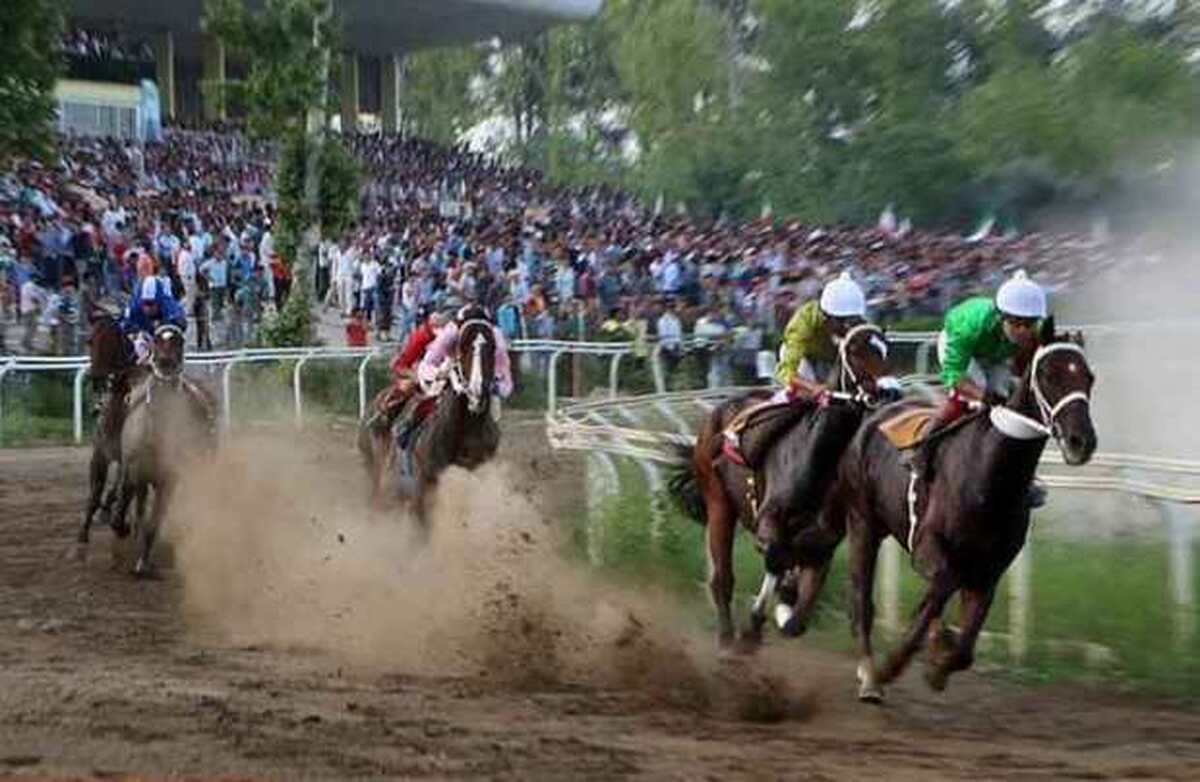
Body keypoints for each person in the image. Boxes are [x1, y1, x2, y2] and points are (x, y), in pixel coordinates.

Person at [910, 269, 1047, 503]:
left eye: (1030, 323)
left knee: (1006, 401)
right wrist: (982, 396)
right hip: (960, 346)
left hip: (993, 353)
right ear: (1002, 315)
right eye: (1016, 323)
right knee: (976, 396)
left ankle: (1023, 477)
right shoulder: (971, 325)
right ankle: (923, 452)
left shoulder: (1034, 333)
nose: (1023, 331)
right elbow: (954, 376)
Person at [721, 272, 870, 464]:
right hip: (803, 358)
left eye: (851, 321)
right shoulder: (804, 321)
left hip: (832, 360)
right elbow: (786, 372)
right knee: (803, 398)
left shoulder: (856, 322)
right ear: (825, 315)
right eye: (840, 322)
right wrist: (813, 388)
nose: (846, 328)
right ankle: (743, 430)